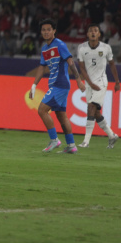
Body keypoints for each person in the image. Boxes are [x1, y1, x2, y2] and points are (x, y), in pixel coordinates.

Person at [28, 18, 92, 154]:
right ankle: (71, 146)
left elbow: (71, 62)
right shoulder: (45, 48)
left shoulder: (59, 45)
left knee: (42, 110)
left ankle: (54, 140)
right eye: (43, 30)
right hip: (56, 83)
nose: (46, 32)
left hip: (60, 83)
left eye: (48, 30)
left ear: (54, 31)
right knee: (61, 116)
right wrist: (34, 85)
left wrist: (79, 80)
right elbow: (41, 67)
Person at [77, 23, 120, 149]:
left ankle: (86, 141)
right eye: (91, 31)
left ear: (99, 34)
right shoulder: (82, 48)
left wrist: (117, 82)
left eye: (95, 31)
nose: (93, 33)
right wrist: (89, 83)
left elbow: (112, 64)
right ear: (87, 34)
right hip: (90, 84)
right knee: (95, 113)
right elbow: (81, 67)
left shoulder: (106, 48)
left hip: (101, 82)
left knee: (91, 107)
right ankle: (112, 135)